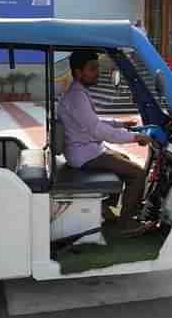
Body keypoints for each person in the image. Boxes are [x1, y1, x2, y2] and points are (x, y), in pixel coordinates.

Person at [57, 51, 153, 235]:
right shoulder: (77, 96)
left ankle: (106, 209)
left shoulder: (78, 93)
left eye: (97, 68)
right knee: (138, 174)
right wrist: (134, 137)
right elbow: (98, 130)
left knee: (123, 159)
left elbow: (93, 121)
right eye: (92, 69)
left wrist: (120, 124)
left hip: (84, 148)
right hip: (84, 153)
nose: (97, 73)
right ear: (78, 73)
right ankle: (125, 225)